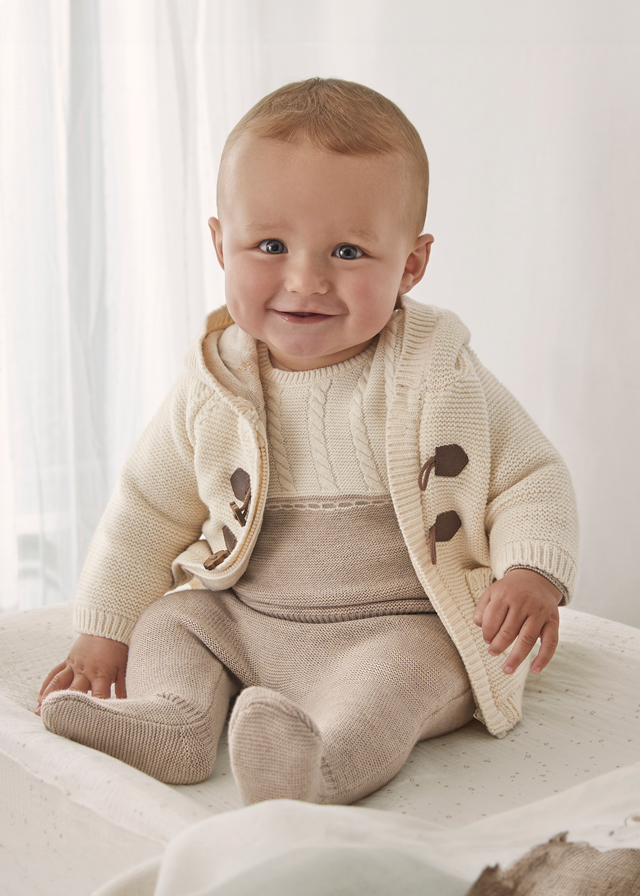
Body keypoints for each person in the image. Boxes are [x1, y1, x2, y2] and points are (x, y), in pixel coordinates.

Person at [37, 78, 578, 806]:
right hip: (245, 617)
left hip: (398, 624)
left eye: (348, 251)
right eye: (270, 245)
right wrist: (105, 630)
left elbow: (530, 476)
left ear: (410, 265)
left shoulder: (437, 373)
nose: (306, 279)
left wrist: (531, 572)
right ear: (219, 244)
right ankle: (176, 721)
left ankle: (322, 762)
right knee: (174, 619)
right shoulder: (214, 382)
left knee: (408, 678)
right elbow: (146, 509)